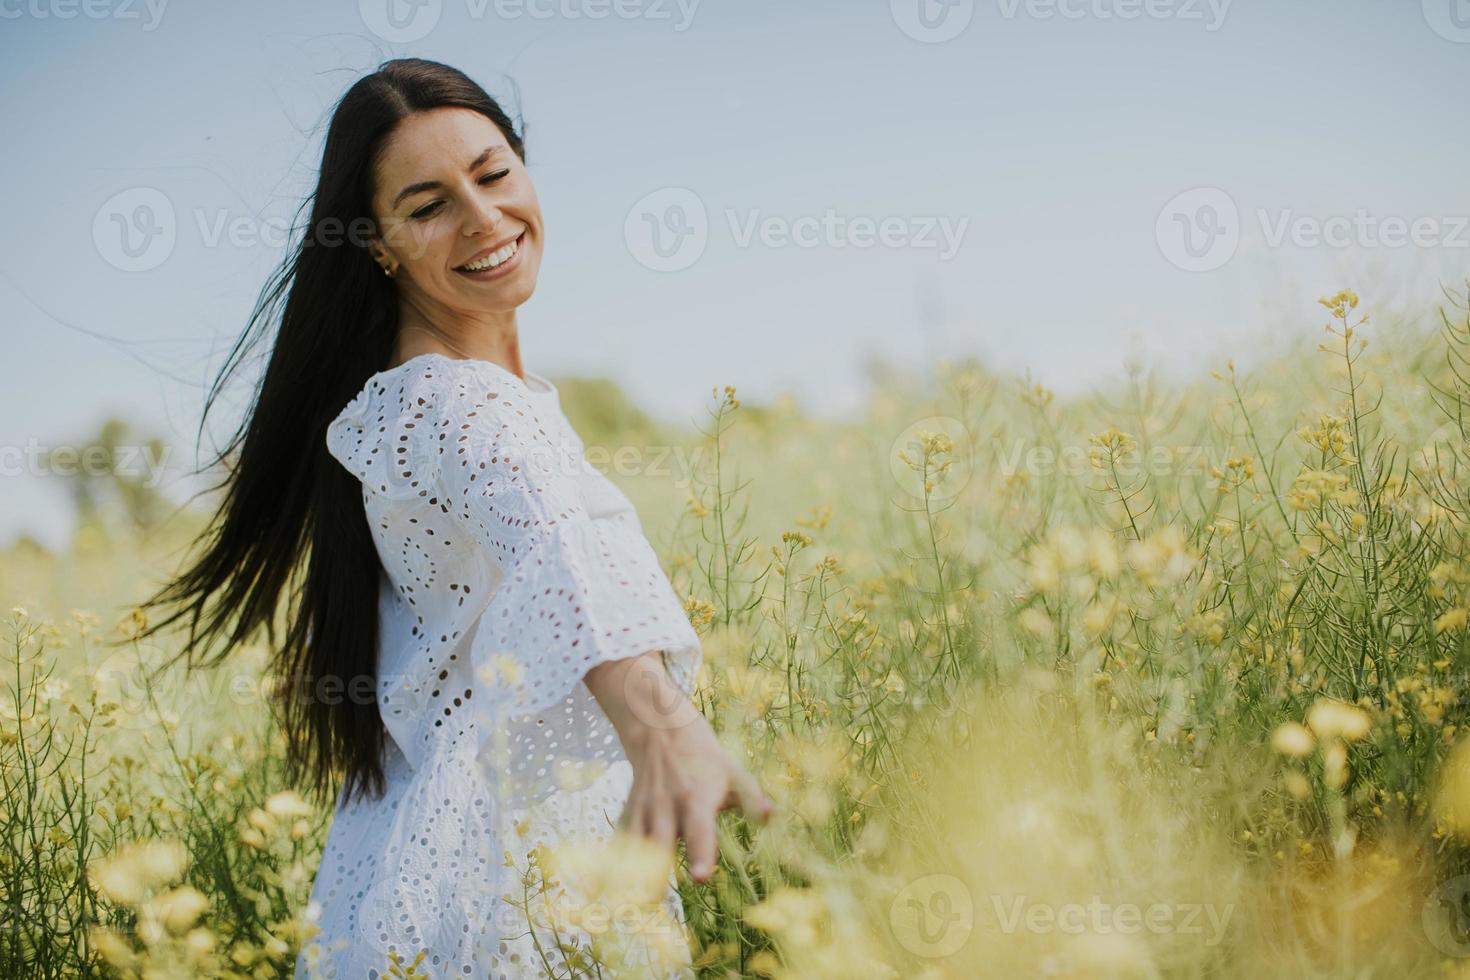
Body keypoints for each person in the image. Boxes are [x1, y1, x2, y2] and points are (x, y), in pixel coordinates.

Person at [133, 57, 773, 978]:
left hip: (412, 878)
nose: (482, 218)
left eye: (494, 171)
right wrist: (662, 728)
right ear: (379, 246)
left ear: (525, 164)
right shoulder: (457, 407)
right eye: (428, 205)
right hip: (501, 904)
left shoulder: (420, 401)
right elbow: (551, 543)